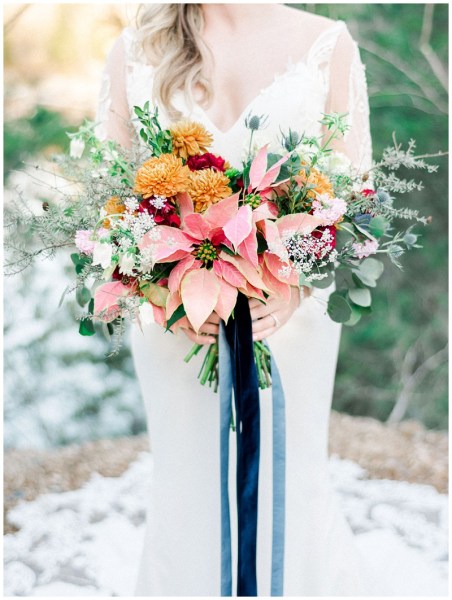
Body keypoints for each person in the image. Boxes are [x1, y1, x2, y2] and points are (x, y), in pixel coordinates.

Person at [96, 4, 446, 596]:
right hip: (174, 321)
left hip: (291, 316)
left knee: (291, 479)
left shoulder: (326, 45)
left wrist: (297, 288)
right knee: (187, 484)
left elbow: (351, 198)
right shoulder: (135, 51)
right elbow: (110, 201)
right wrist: (161, 292)